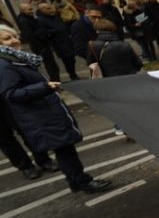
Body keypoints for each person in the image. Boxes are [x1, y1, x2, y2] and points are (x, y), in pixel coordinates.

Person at [0, 25, 111, 193]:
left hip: (46, 112)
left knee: (65, 148)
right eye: (7, 38)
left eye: (14, 36)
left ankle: (75, 181)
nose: (14, 40)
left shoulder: (17, 59)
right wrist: (44, 87)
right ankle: (83, 182)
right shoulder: (5, 65)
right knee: (65, 150)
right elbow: (10, 93)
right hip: (40, 115)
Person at [16, 1, 60, 82]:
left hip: (42, 44)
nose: (31, 11)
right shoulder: (24, 21)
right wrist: (40, 43)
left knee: (51, 65)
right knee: (51, 65)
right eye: (29, 9)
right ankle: (55, 82)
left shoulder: (28, 18)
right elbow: (29, 36)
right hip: (40, 46)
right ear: (23, 10)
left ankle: (55, 81)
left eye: (31, 9)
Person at [35, 2, 79, 81]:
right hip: (58, 42)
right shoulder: (40, 20)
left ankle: (73, 73)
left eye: (50, 8)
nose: (51, 10)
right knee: (67, 59)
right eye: (48, 9)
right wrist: (53, 31)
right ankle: (72, 75)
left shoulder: (55, 17)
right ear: (42, 10)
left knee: (72, 58)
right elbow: (42, 33)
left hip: (66, 39)